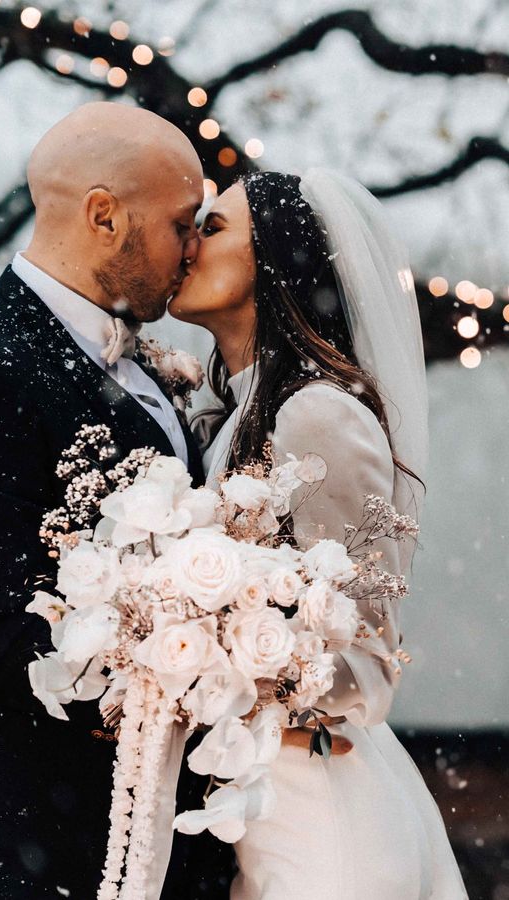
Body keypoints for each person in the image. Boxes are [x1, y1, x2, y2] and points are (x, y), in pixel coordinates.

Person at [0, 102, 235, 899]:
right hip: (62, 843)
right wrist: (193, 665)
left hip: (175, 837)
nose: (195, 248)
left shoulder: (153, 356)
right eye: (182, 223)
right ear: (103, 215)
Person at [169, 170, 468, 898]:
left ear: (276, 263)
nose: (189, 243)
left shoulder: (315, 417)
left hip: (317, 803)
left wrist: (203, 656)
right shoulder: (222, 416)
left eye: (214, 228)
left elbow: (365, 659)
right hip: (255, 791)